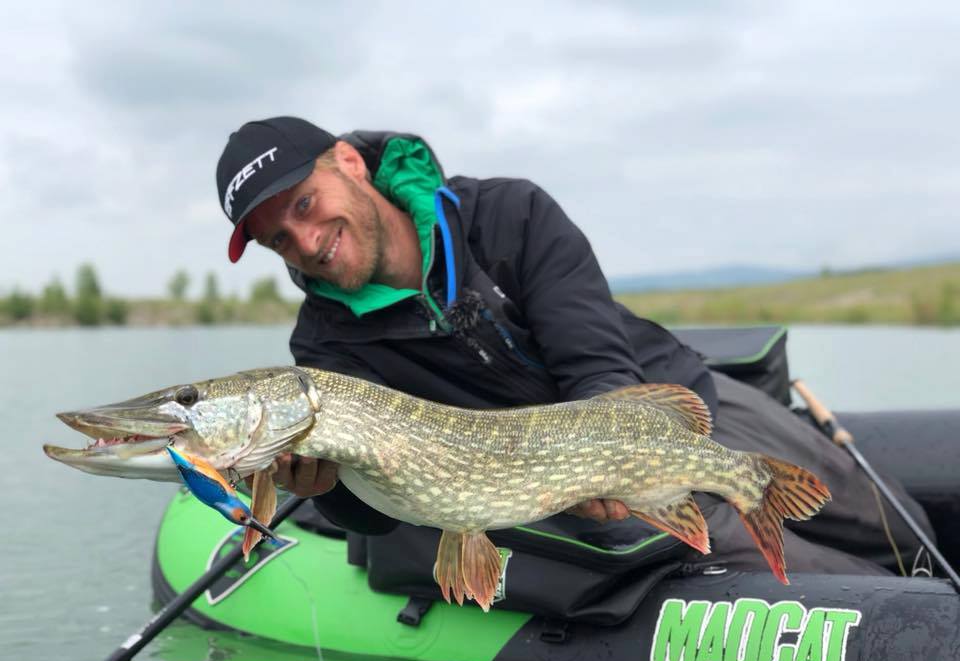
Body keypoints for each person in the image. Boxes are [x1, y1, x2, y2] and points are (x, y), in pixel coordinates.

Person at [215, 116, 934, 578]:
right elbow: (384, 503)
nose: (306, 242)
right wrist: (331, 492)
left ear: (349, 163)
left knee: (900, 527)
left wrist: (615, 462)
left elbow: (598, 365)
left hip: (675, 406)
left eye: (305, 206)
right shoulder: (324, 352)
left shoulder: (508, 215)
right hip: (562, 496)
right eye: (281, 238)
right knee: (837, 587)